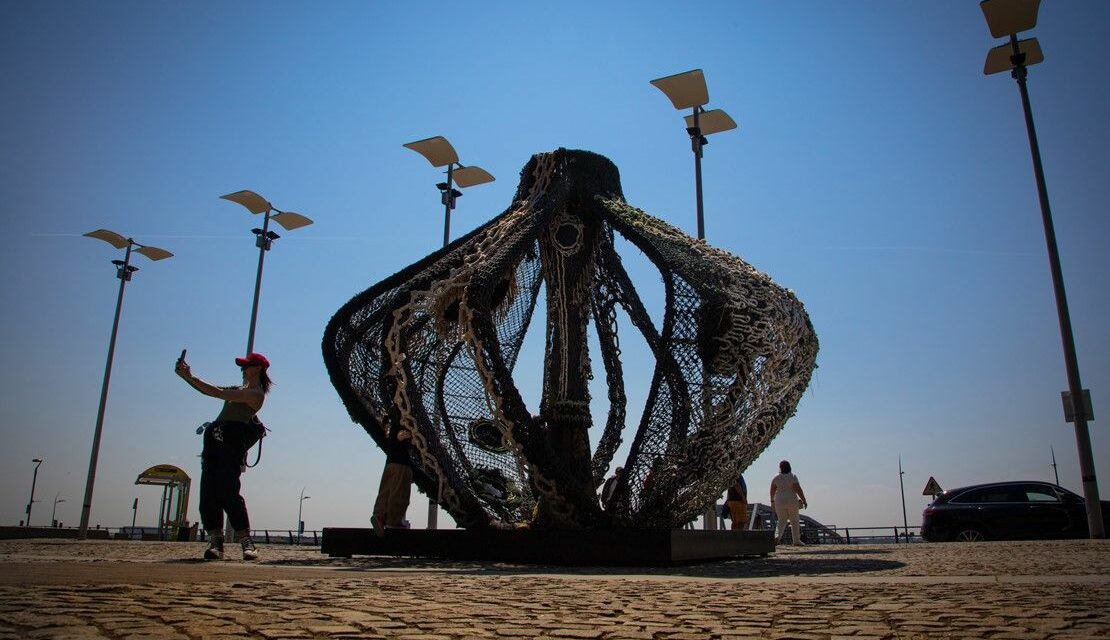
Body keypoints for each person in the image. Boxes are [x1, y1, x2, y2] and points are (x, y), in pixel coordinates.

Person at [176, 351, 271, 561]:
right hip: (213, 441)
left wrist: (190, 377)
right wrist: (186, 376)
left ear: (258, 369)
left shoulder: (256, 394)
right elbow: (208, 391)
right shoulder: (240, 389)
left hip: (231, 441)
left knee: (228, 489)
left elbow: (217, 392)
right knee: (209, 490)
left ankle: (246, 541)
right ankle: (216, 541)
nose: (242, 369)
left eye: (246, 366)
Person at [371, 426, 414, 537]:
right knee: (400, 494)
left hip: (390, 462)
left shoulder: (391, 418)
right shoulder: (404, 416)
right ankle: (393, 522)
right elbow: (400, 434)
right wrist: (407, 435)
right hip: (402, 463)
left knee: (386, 491)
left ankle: (379, 515)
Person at [770, 460, 808, 545]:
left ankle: (777, 536)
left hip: (779, 500)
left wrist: (772, 500)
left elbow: (772, 489)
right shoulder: (793, 476)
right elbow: (798, 489)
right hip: (791, 500)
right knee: (794, 520)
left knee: (781, 520)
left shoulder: (776, 477)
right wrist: (804, 500)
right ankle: (796, 540)